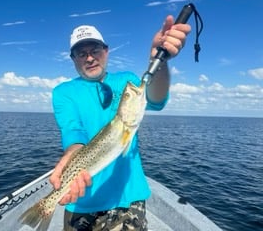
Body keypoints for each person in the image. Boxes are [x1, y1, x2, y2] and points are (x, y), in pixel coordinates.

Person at [50, 16, 191, 230]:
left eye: (95, 50)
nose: (89, 58)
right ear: (73, 59)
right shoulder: (63, 92)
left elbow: (156, 99)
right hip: (80, 200)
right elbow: (73, 132)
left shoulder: (127, 80)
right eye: (81, 53)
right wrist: (72, 155)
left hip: (128, 198)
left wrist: (159, 62)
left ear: (106, 51)